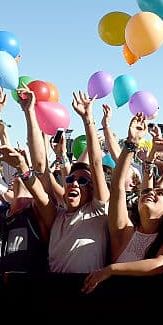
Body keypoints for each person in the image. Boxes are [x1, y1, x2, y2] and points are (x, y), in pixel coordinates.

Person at [81, 113, 163, 293]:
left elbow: (160, 264)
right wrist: (131, 142)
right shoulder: (123, 231)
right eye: (147, 192)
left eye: (159, 193)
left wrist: (111, 270)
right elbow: (117, 187)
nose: (151, 193)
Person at [0, 87, 53, 275]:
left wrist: (29, 111)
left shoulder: (41, 212)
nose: (16, 175)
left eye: (21, 175)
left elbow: (40, 166)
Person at [42, 91, 110, 274]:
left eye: (83, 181)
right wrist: (61, 155)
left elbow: (96, 163)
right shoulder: (57, 215)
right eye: (71, 180)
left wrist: (88, 119)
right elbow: (49, 173)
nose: (74, 184)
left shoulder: (97, 210)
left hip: (85, 286)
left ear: (93, 189)